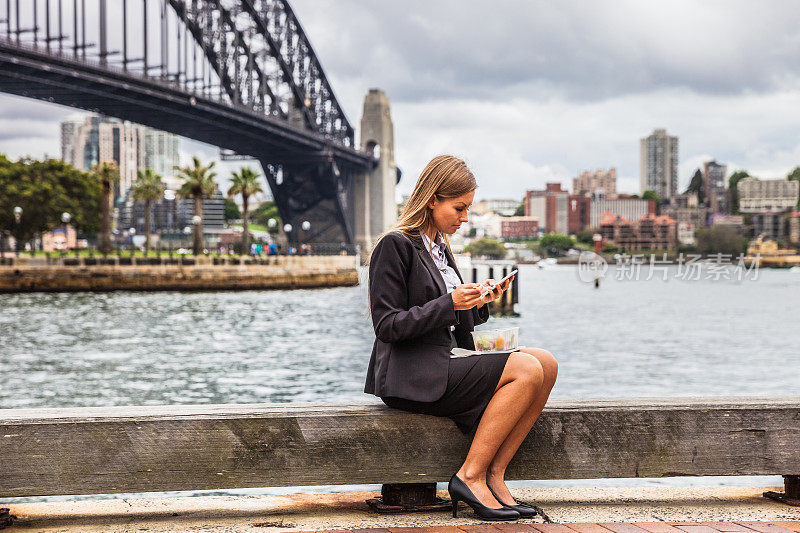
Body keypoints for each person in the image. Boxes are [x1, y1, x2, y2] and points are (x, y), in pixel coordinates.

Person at [364, 154, 558, 521]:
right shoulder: (395, 245)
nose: (465, 218)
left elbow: (452, 319)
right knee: (527, 370)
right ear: (432, 198)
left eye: (468, 209)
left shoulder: (439, 247)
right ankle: (470, 476)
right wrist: (448, 302)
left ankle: (495, 476)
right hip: (413, 375)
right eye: (460, 208)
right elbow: (387, 325)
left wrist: (480, 302)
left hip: (446, 361)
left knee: (545, 363)